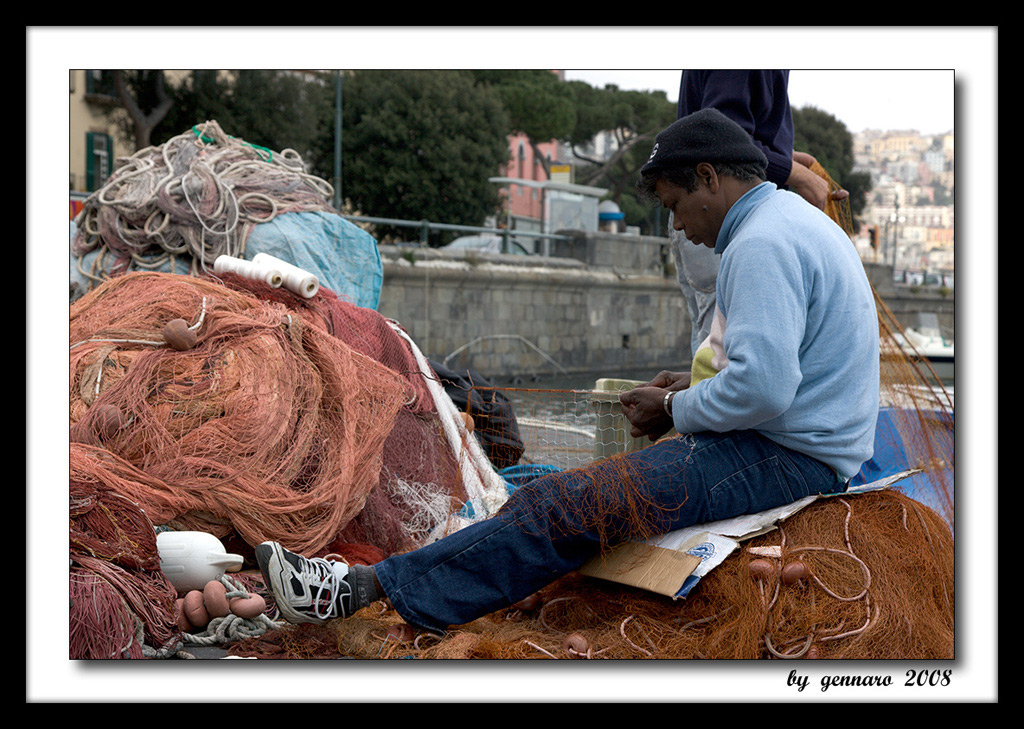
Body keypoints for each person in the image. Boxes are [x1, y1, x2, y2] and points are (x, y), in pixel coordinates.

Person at [255, 108, 879, 636]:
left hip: (789, 455)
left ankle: (358, 591)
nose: (678, 226)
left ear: (710, 178)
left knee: (564, 505)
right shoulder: (790, 221)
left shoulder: (759, 243)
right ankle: (388, 587)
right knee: (569, 501)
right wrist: (693, 388)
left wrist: (671, 408)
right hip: (804, 442)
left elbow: (765, 390)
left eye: (676, 205)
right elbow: (783, 369)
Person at [671, 70, 849, 355]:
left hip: (708, 212)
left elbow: (726, 134)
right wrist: (795, 174)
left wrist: (784, 158)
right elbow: (719, 138)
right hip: (716, 218)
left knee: (714, 349)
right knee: (720, 351)